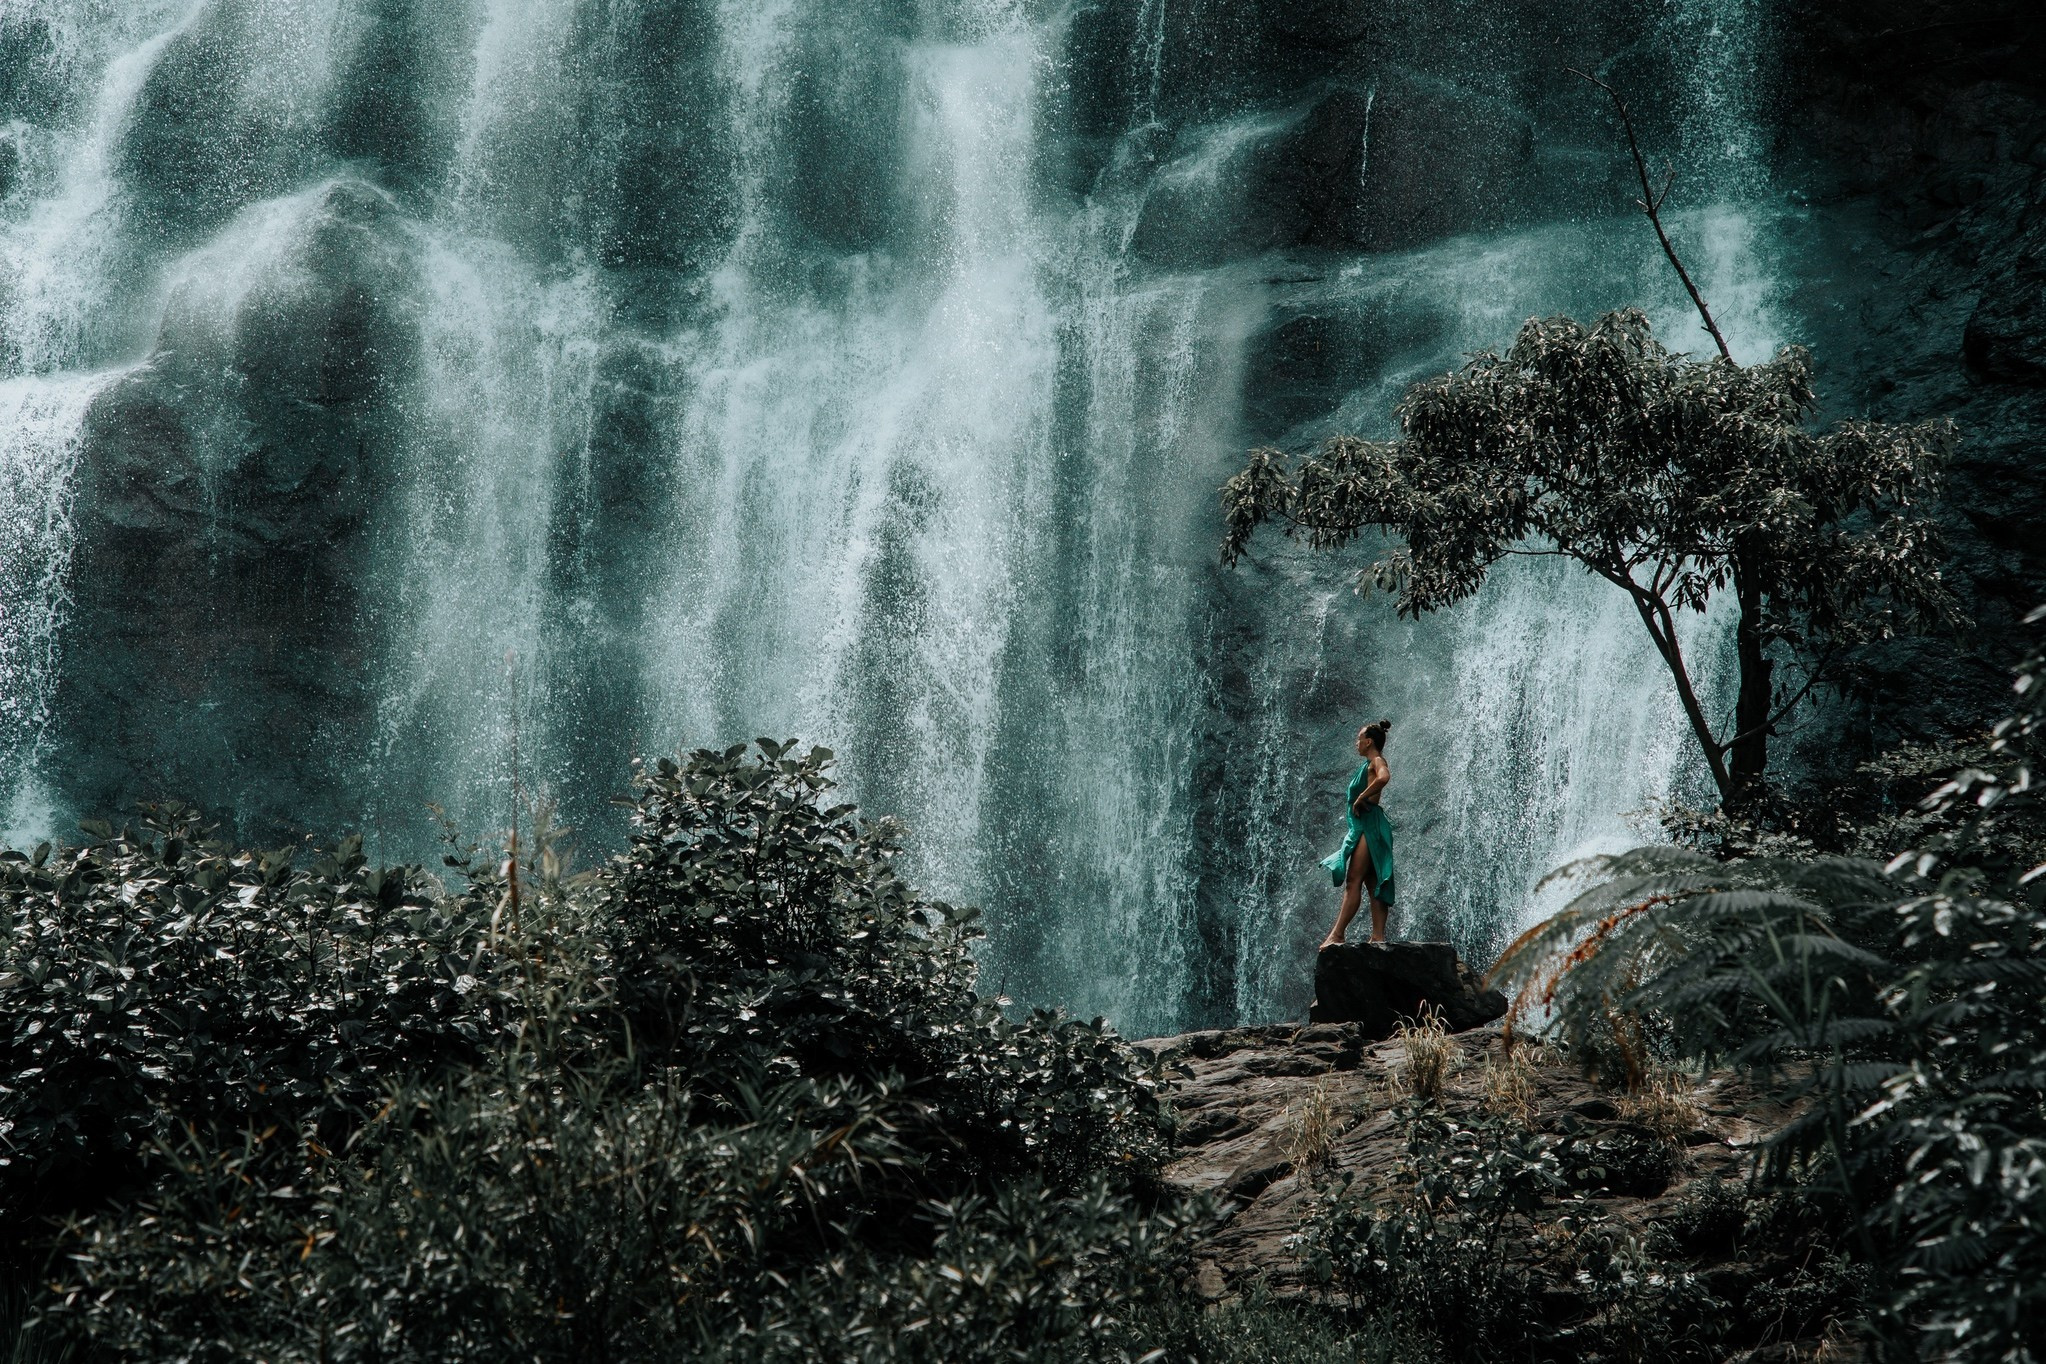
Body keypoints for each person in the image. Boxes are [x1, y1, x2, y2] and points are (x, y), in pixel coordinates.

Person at [1319, 719, 1395, 948]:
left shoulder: (1377, 761)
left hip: (1370, 826)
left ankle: (1338, 934)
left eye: (1359, 738)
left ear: (1368, 741)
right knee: (1373, 883)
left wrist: (1362, 797)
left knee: (1353, 880)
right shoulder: (1368, 764)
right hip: (1367, 825)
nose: (1356, 743)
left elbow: (1384, 777)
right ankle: (1378, 936)